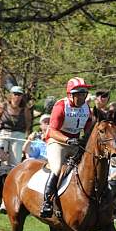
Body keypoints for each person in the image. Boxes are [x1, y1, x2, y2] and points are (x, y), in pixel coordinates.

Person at [40, 77, 93, 218]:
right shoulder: (61, 106)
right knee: (57, 168)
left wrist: (85, 138)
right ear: (71, 94)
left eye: (84, 93)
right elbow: (52, 131)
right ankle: (47, 202)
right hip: (58, 141)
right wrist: (68, 140)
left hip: (75, 142)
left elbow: (88, 125)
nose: (83, 96)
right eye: (79, 93)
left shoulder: (87, 108)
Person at [0, 86, 32, 166]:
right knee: (1, 158)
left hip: (18, 135)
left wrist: (26, 135)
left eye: (19, 94)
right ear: (11, 95)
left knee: (15, 161)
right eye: (15, 94)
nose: (17, 96)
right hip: (3, 133)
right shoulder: (2, 107)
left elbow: (28, 123)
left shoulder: (25, 109)